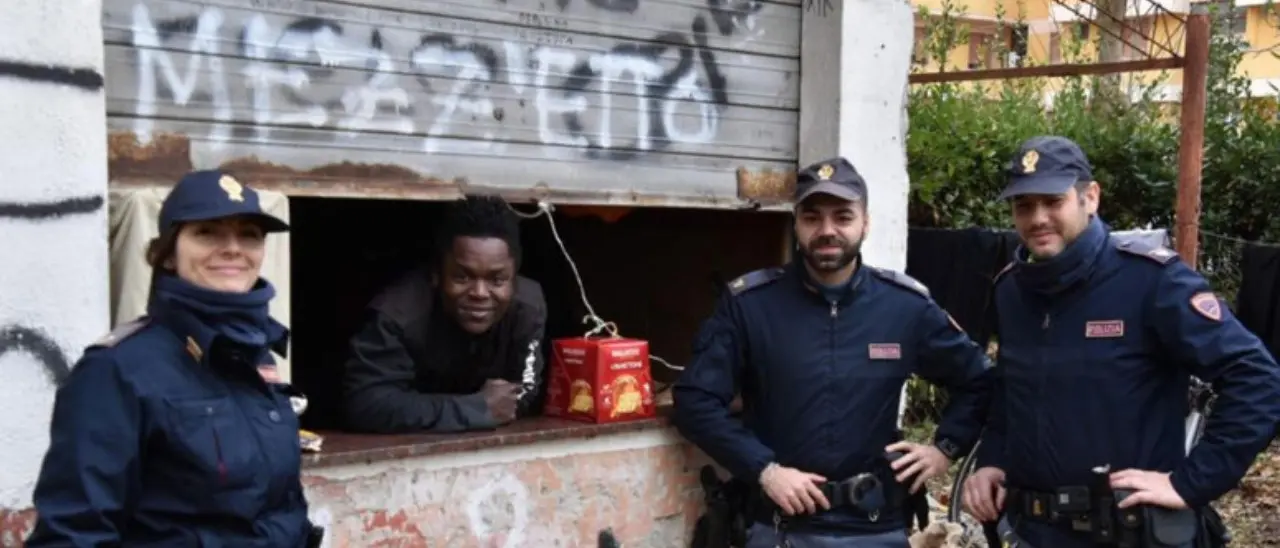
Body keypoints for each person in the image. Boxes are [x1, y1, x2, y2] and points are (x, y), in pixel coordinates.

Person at [962, 136, 1280, 547]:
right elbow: (1011, 392)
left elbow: (1256, 378)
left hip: (1126, 532)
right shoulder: (1012, 291)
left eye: (1053, 202)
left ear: (1089, 197)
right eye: (1024, 206)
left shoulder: (1151, 282)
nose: (1038, 217)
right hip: (1033, 531)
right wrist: (992, 461)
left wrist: (1192, 482)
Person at [672, 157, 994, 548]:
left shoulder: (905, 308)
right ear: (796, 223)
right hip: (780, 530)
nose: (827, 230)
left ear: (865, 223)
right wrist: (764, 470)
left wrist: (944, 449)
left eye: (843, 216)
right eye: (812, 217)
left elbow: (980, 381)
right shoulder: (750, 306)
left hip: (877, 529)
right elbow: (694, 400)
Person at [26, 170, 319, 546]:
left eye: (249, 234)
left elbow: (277, 509)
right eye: (207, 232)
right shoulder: (117, 370)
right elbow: (73, 535)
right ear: (167, 255)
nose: (233, 248)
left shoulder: (255, 354)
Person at [342, 194, 547, 434]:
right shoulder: (397, 315)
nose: (480, 293)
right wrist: (474, 409)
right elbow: (367, 404)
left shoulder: (527, 308)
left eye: (497, 279)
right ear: (436, 275)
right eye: (462, 277)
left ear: (514, 281)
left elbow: (522, 393)